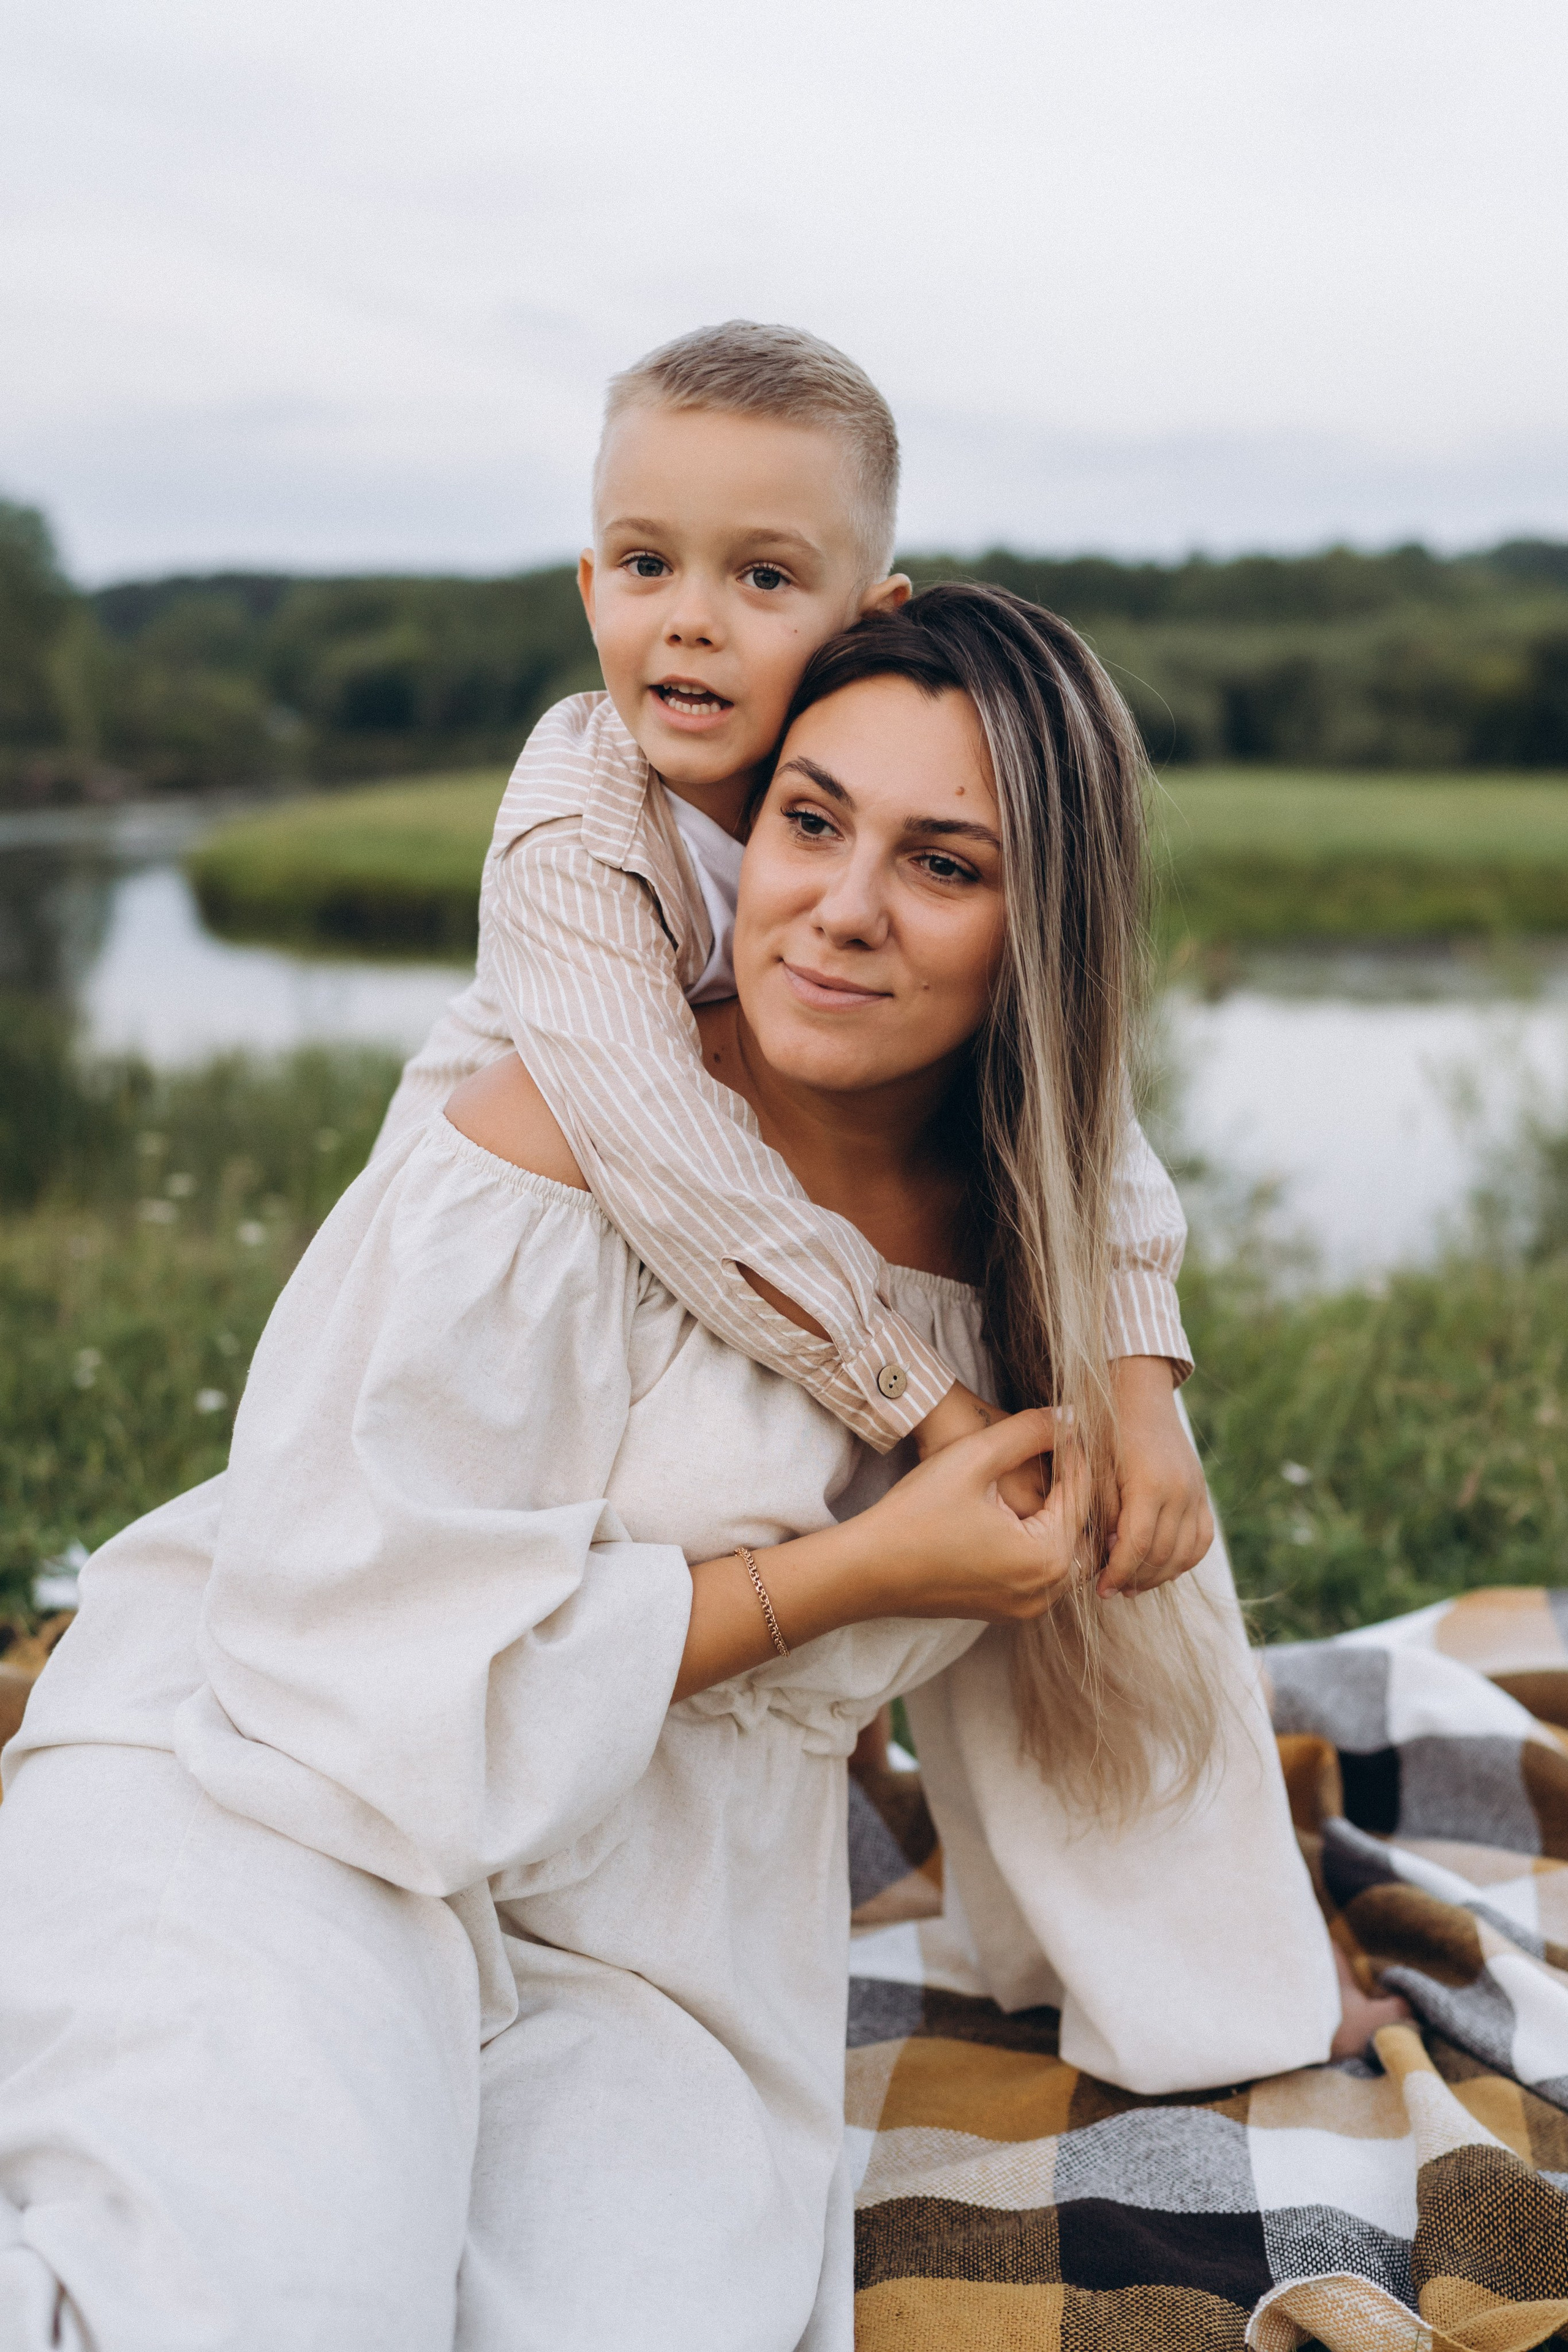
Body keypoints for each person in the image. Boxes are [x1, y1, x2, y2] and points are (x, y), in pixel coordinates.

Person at [0, 586, 1365, 2352]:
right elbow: (345, 1654)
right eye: (811, 821)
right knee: (265, 2314)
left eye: (945, 866)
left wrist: (1243, 1982)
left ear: (1048, 932)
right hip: (284, 1786)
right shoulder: (559, 1132)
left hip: (673, 1926)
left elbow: (1117, 1629)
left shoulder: (1044, 1261)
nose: (840, 913)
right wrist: (864, 1576)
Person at [375, 319, 1213, 1595]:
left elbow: (1078, 1089)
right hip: (507, 1298)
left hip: (762, 1252)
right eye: (647, 564)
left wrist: (1134, 1371)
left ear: (865, 620)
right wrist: (926, 1405)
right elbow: (665, 1150)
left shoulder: (830, 771)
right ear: (592, 588)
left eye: (761, 579)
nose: (691, 625)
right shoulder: (575, 830)